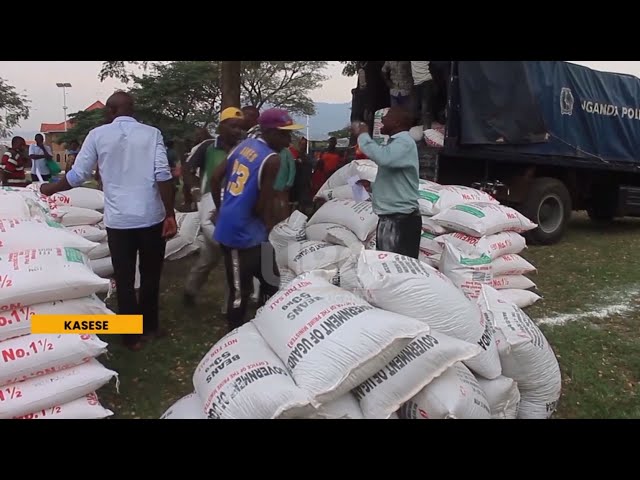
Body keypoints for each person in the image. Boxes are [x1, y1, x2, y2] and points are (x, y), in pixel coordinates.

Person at [40, 91, 177, 351]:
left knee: (124, 279)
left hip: (119, 222)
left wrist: (51, 189)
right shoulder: (152, 134)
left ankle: (130, 337)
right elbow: (163, 174)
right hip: (151, 217)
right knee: (150, 275)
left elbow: (79, 174)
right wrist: (169, 213)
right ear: (132, 110)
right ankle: (150, 327)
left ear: (110, 112)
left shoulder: (97, 135)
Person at [211, 108, 303, 332]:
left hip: (248, 228)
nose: (289, 140)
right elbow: (263, 203)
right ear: (270, 132)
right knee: (240, 290)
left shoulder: (244, 146)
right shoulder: (272, 160)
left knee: (270, 277)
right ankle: (235, 333)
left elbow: (216, 177)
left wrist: (222, 208)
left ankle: (265, 321)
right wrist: (271, 223)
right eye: (284, 134)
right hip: (239, 234)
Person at [183, 107, 245, 306]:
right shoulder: (208, 147)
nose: (237, 131)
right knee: (231, 251)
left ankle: (199, 294)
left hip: (234, 202)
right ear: (221, 126)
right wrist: (193, 187)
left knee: (209, 258)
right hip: (210, 200)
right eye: (232, 126)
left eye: (240, 127)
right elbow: (187, 169)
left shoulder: (245, 148)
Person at [354, 106, 421, 259]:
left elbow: (384, 159)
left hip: (399, 220)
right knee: (389, 268)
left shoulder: (404, 142)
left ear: (397, 122)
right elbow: (395, 179)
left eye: (387, 116)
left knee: (395, 268)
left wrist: (364, 136)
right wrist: (371, 186)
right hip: (393, 219)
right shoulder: (396, 144)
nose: (382, 120)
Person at [410, 61, 435, 128]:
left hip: (426, 82)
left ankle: (427, 131)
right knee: (416, 108)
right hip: (417, 83)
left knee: (425, 109)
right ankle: (421, 128)